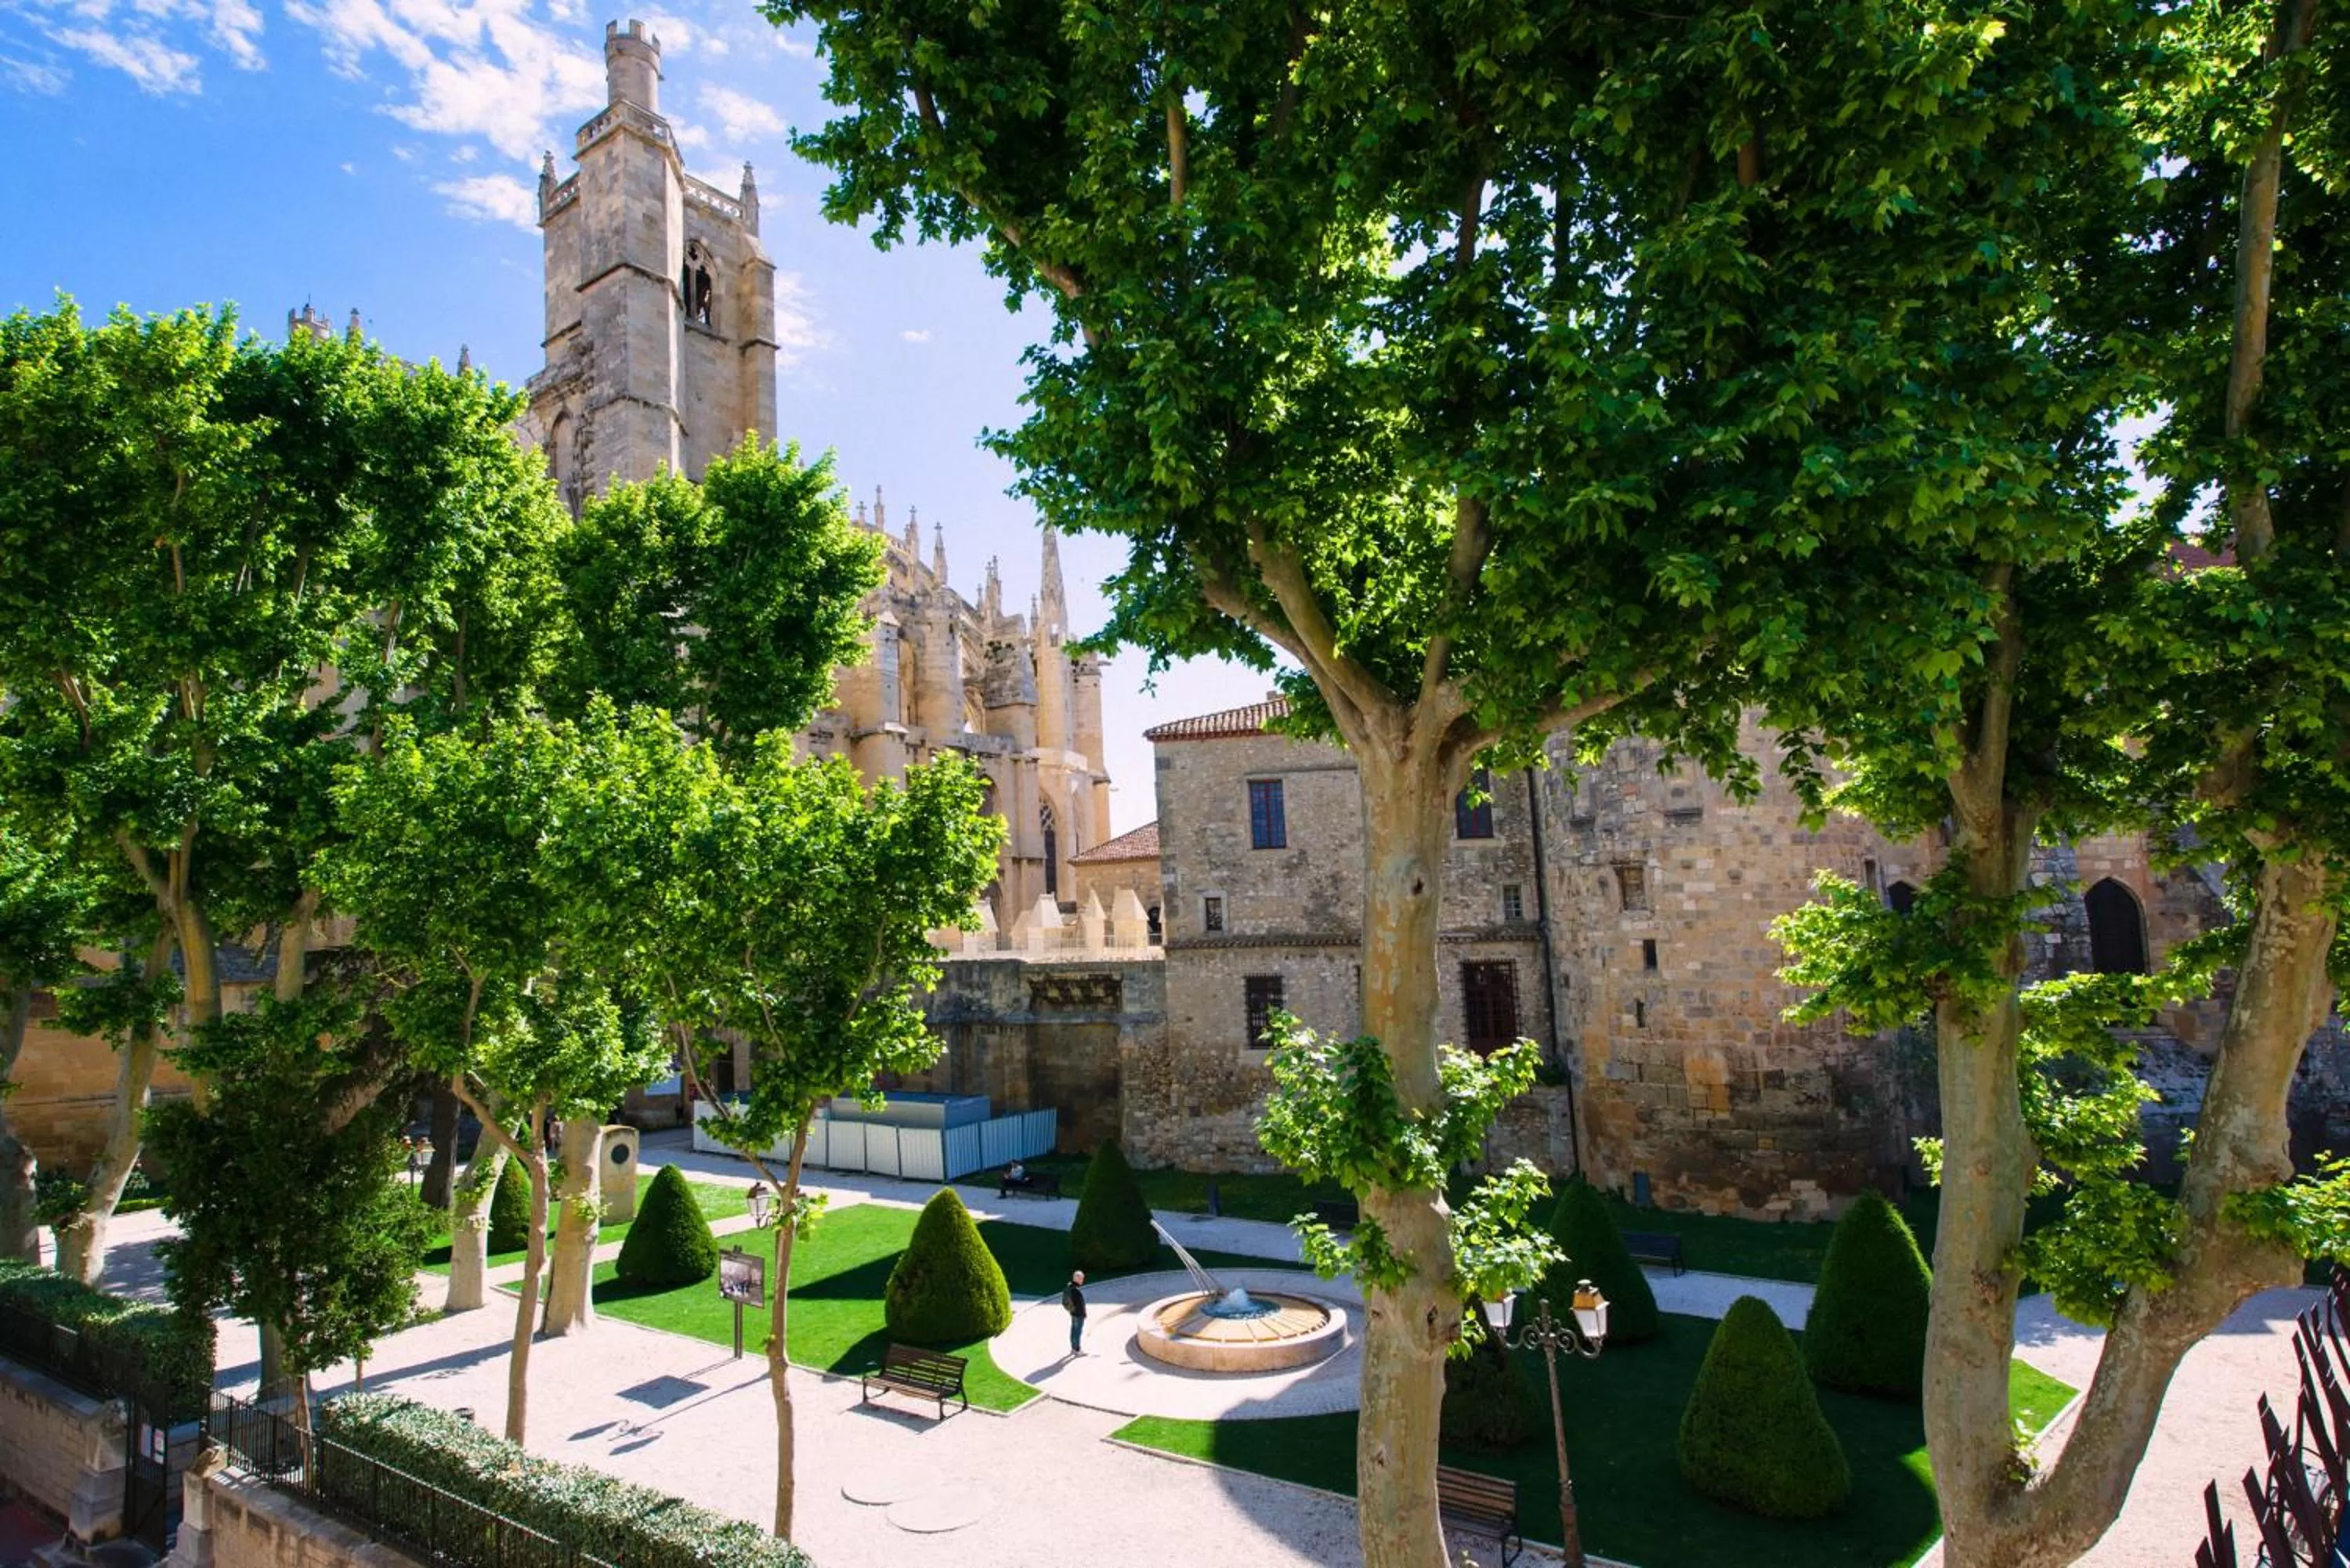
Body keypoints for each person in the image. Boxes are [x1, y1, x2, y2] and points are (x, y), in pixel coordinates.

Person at [1062, 1270, 1086, 1357]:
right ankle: (1077, 1350)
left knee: (1073, 1331)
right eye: (1081, 1278)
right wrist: (1084, 1314)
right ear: (1078, 1279)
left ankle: (1073, 1348)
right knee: (1077, 1332)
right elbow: (1080, 1304)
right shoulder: (1075, 1290)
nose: (1082, 1280)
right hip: (1078, 1314)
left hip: (1073, 1313)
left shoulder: (1070, 1287)